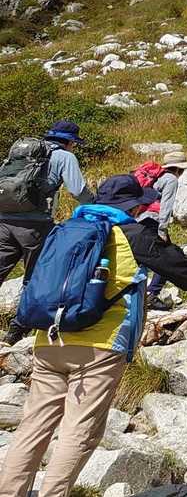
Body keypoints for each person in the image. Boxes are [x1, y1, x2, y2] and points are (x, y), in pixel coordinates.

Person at [0, 174, 187, 497]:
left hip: (48, 341)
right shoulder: (134, 235)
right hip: (99, 348)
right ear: (133, 206)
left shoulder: (64, 230)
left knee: (33, 427)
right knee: (80, 432)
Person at [0, 121, 95, 345]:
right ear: (70, 142)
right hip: (35, 225)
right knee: (35, 277)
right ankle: (18, 328)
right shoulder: (65, 156)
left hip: (4, 220)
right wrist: (96, 204)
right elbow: (77, 190)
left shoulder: (23, 152)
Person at [132, 153, 187, 310]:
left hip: (138, 220)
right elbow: (166, 206)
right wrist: (162, 230)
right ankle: (151, 295)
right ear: (179, 169)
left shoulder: (154, 177)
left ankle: (136, 296)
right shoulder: (171, 179)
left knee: (140, 258)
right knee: (168, 258)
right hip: (153, 221)